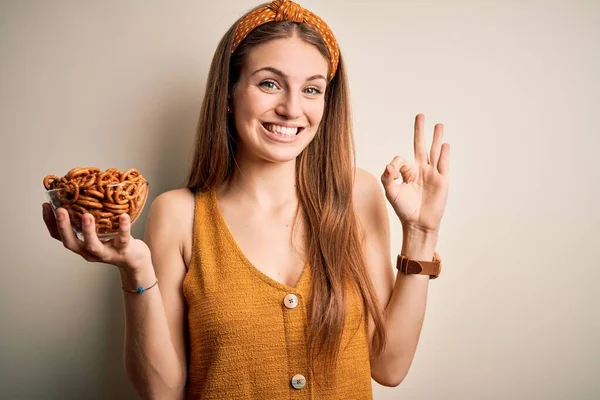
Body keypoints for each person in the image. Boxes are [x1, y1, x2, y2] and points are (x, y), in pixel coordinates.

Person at [42, 0, 450, 398]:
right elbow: (161, 391)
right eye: (269, 83)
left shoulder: (357, 196)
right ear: (228, 93)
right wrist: (135, 271)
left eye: (311, 89)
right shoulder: (178, 214)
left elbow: (389, 367)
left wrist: (421, 232)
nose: (292, 109)